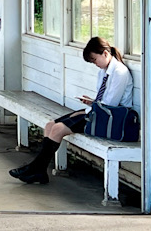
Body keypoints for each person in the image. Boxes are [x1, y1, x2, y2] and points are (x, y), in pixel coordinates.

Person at [9, 36, 134, 184]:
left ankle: (36, 168)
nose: (95, 64)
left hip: (112, 120)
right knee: (50, 125)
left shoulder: (119, 72)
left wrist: (93, 104)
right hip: (100, 113)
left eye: (94, 59)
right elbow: (103, 102)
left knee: (58, 129)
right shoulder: (104, 71)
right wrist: (92, 102)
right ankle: (39, 169)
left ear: (105, 53)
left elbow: (110, 104)